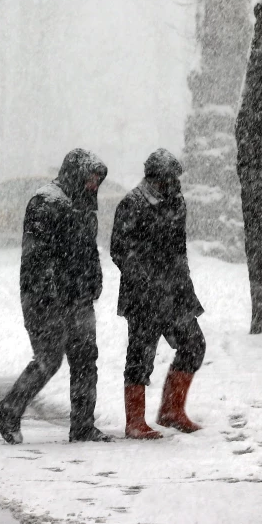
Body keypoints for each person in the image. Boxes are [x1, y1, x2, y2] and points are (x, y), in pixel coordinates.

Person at [0, 149, 113, 444]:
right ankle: (9, 408)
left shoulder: (83, 206)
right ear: (76, 174)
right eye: (91, 178)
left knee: (86, 359)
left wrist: (94, 279)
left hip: (78, 297)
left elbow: (88, 251)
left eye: (98, 180)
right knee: (49, 358)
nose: (94, 185)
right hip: (45, 298)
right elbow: (36, 256)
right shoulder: (46, 202)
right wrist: (48, 294)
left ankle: (83, 426)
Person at [111, 149, 206, 439]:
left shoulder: (177, 202)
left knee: (194, 344)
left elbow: (179, 248)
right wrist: (145, 281)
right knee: (140, 356)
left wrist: (183, 284)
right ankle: (135, 422)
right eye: (171, 178)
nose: (176, 183)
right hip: (143, 296)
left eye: (177, 177)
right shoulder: (132, 203)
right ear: (156, 177)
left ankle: (171, 410)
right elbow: (120, 250)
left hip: (175, 293)